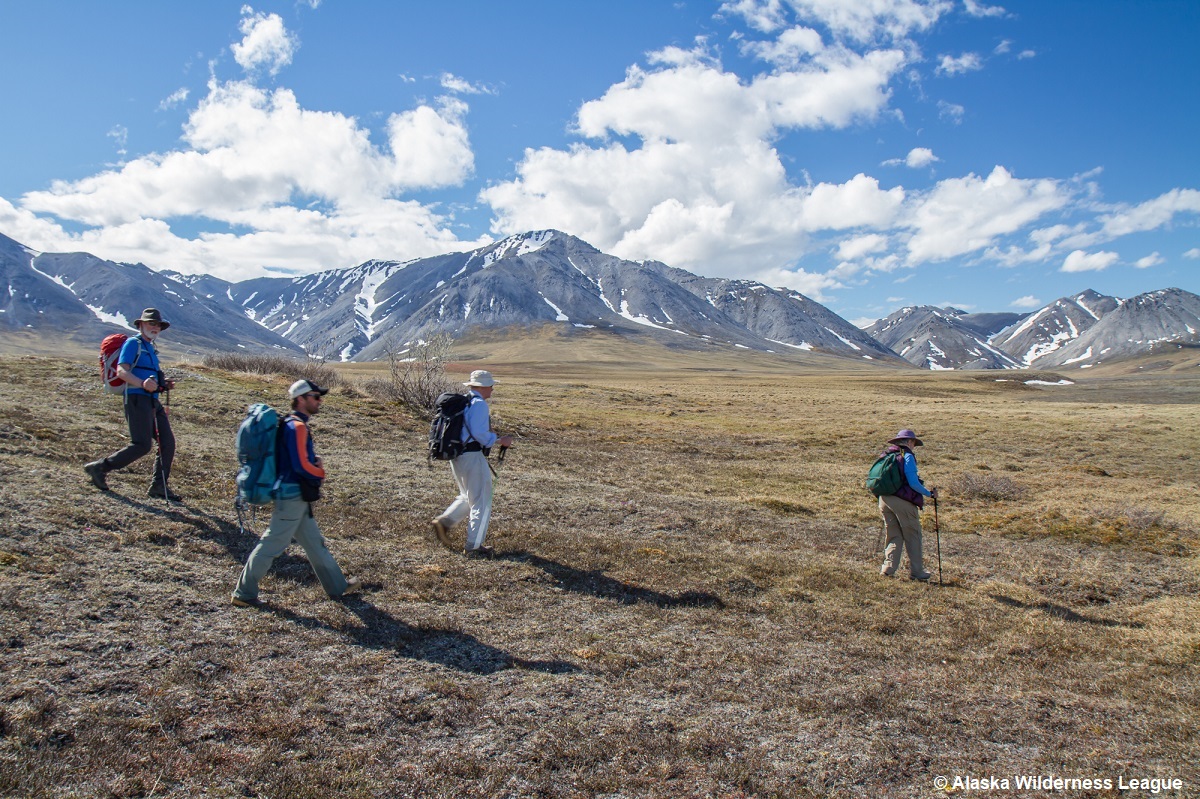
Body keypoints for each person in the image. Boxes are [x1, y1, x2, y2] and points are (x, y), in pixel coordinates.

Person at [231, 379, 362, 606]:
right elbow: (301, 466)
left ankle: (338, 587)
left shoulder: (288, 423)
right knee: (272, 543)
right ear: (301, 399)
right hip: (292, 495)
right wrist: (319, 471)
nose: (319, 401)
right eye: (315, 397)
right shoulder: (298, 427)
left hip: (292, 494)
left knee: (314, 543)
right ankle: (244, 593)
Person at [84, 308, 179, 499]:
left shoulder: (150, 347)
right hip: (136, 399)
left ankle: (159, 486)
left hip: (152, 401)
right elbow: (122, 371)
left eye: (158, 325)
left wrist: (163, 384)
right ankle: (100, 467)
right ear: (141, 325)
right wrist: (143, 384)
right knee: (141, 445)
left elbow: (146, 374)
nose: (155, 327)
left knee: (167, 442)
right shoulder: (132, 344)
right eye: (151, 323)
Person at [431, 370, 514, 558]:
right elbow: (479, 433)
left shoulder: (465, 403)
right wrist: (499, 440)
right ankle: (474, 546)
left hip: (458, 454)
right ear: (483, 387)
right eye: (491, 385)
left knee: (468, 495)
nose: (492, 389)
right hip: (472, 455)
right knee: (481, 500)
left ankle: (445, 522)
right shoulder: (479, 405)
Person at [877, 429, 937, 581]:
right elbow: (913, 483)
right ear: (909, 442)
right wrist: (929, 494)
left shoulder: (887, 455)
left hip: (884, 499)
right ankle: (917, 572)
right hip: (902, 501)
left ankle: (887, 569)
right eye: (914, 443)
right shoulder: (907, 456)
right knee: (913, 535)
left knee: (893, 534)